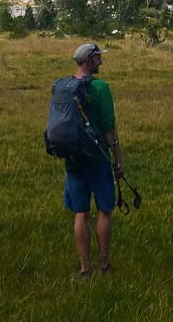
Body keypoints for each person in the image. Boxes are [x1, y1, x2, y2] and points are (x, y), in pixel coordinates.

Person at [64, 42, 123, 276]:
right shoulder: (100, 87)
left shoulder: (66, 86)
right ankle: (103, 263)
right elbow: (109, 127)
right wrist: (118, 159)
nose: (101, 61)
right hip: (97, 156)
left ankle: (84, 267)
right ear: (88, 60)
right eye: (98, 57)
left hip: (73, 157)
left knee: (81, 212)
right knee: (104, 210)